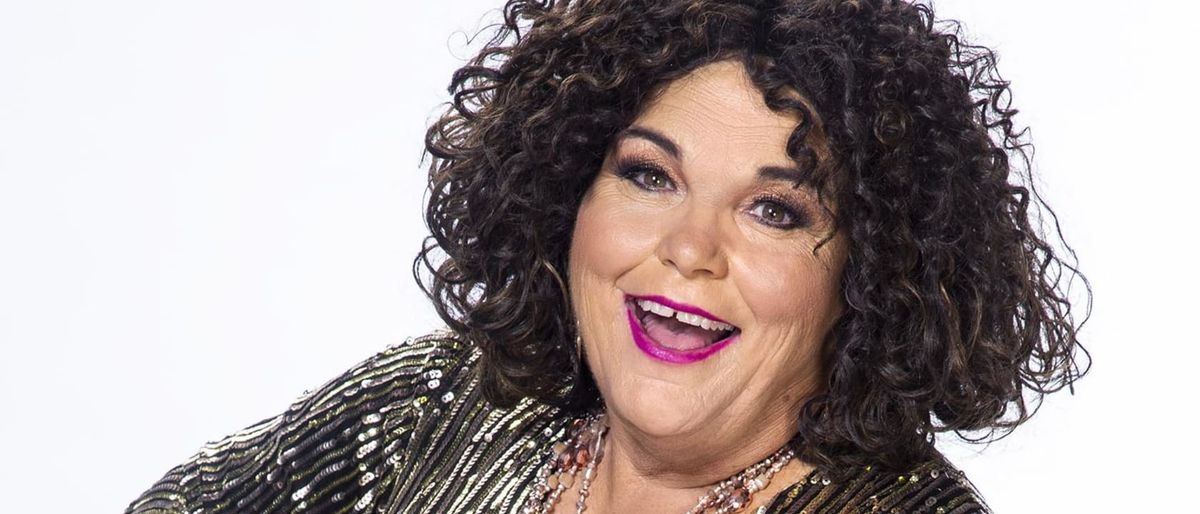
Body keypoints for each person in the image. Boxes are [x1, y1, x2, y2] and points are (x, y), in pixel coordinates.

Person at [126, 0, 1090, 512]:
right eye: (649, 176)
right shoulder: (441, 405)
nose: (689, 250)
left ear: (874, 278)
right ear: (565, 193)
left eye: (774, 210)